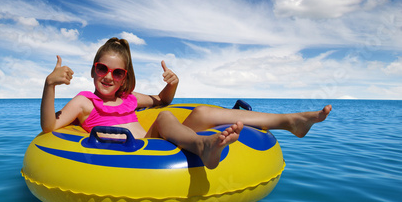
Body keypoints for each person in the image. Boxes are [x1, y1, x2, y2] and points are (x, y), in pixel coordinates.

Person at [41, 37, 332, 169]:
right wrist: (49, 84)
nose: (108, 77)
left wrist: (173, 83)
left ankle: (290, 121)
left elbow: (161, 100)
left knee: (201, 111)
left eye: (117, 73)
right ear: (93, 69)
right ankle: (202, 146)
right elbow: (49, 126)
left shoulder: (129, 98)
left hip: (158, 139)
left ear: (125, 77)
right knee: (166, 119)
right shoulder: (84, 102)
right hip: (140, 147)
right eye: (102, 69)